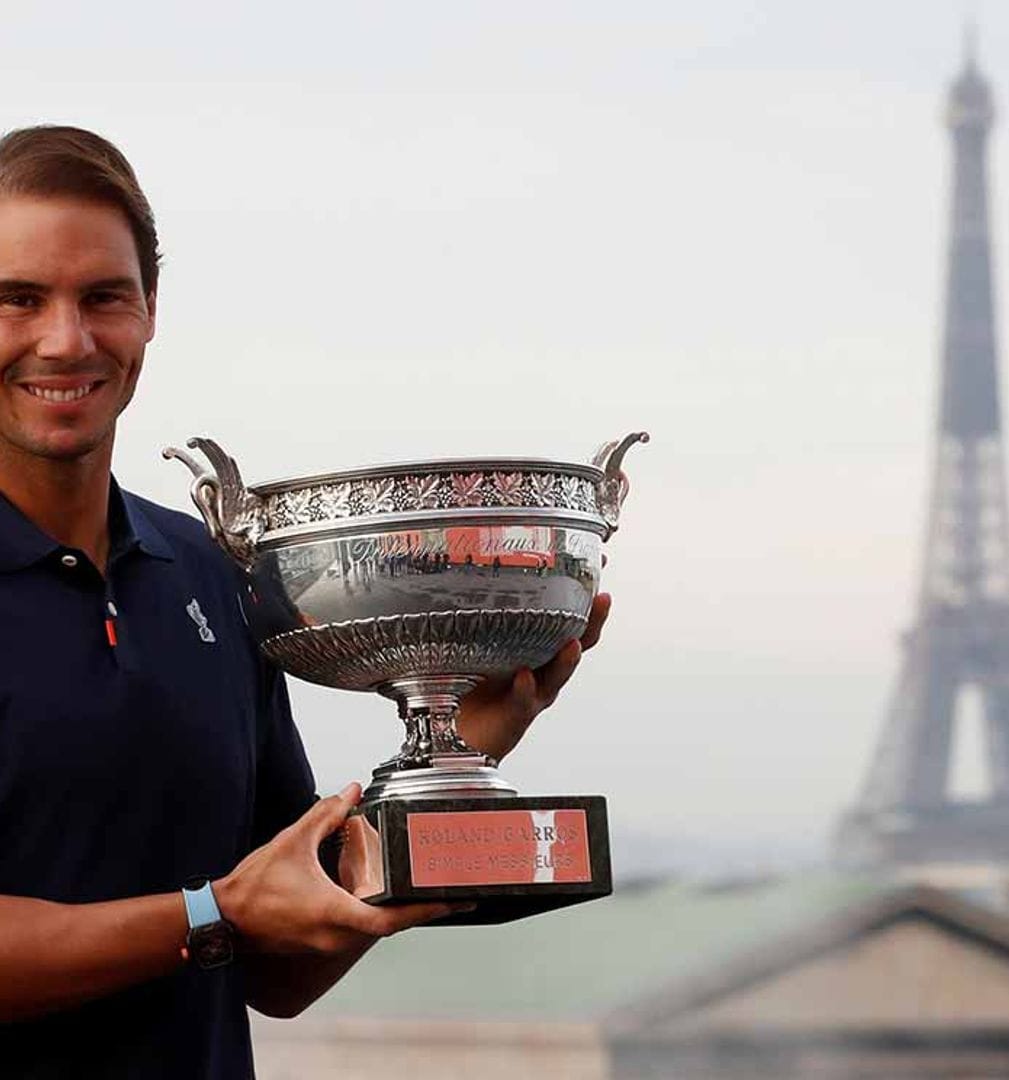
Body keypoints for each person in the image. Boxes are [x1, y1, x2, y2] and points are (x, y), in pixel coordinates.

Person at [0, 125, 611, 1078]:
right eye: (19, 299)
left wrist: (464, 744)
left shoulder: (208, 568)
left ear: (151, 311)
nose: (66, 339)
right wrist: (213, 915)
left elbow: (279, 970)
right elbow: (236, 914)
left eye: (104, 297)